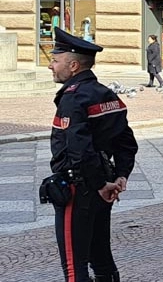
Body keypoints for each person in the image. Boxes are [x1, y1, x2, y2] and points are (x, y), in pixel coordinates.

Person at [45, 27, 138, 282]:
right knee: (101, 256)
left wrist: (98, 184)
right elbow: (126, 142)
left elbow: (79, 149)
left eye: (55, 60)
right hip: (102, 183)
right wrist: (120, 176)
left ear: (73, 65)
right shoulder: (106, 94)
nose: (51, 66)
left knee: (75, 266)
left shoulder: (73, 99)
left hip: (80, 187)